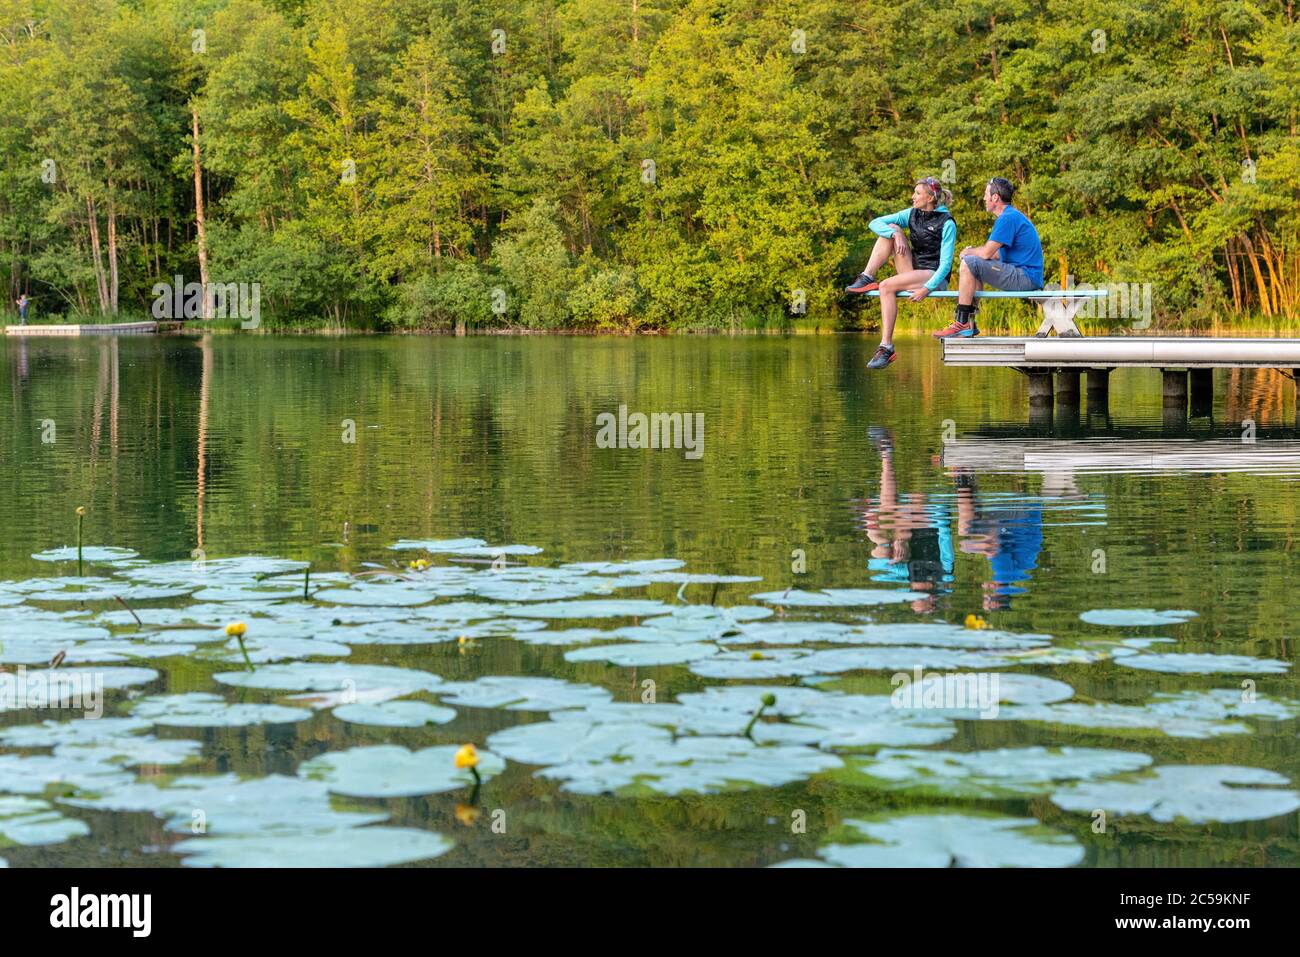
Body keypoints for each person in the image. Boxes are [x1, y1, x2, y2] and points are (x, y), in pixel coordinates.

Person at [845, 177, 957, 369]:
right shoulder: (912, 214)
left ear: (930, 198)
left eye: (918, 193)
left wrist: (926, 289)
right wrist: (895, 235)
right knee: (891, 228)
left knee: (886, 286)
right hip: (913, 271)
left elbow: (946, 266)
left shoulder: (947, 223)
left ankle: (886, 348)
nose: (913, 197)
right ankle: (867, 276)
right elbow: (875, 222)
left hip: (933, 275)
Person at [933, 176, 1045, 339]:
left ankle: (961, 321)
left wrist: (969, 252)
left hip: (1025, 276)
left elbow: (986, 253)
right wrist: (973, 253)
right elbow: (996, 254)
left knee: (968, 262)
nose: (984, 198)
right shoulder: (1010, 216)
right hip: (1026, 275)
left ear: (995, 197)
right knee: (973, 265)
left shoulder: (1007, 218)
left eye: (986, 194)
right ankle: (969, 324)